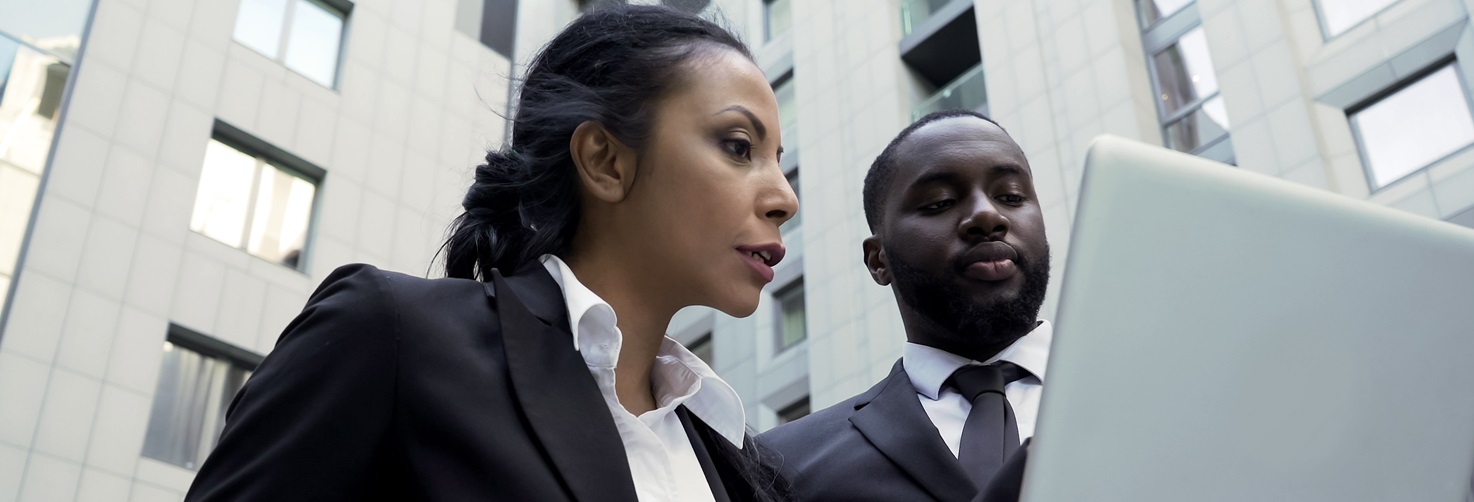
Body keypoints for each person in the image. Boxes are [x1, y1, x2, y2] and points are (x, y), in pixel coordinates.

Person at [185, 5, 797, 501]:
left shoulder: (737, 459)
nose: (784, 197)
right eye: (739, 146)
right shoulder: (391, 334)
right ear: (606, 161)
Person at [758, 110, 1052, 502]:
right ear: (879, 260)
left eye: (1012, 196)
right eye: (939, 203)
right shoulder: (780, 465)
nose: (988, 215)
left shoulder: (1156, 392)